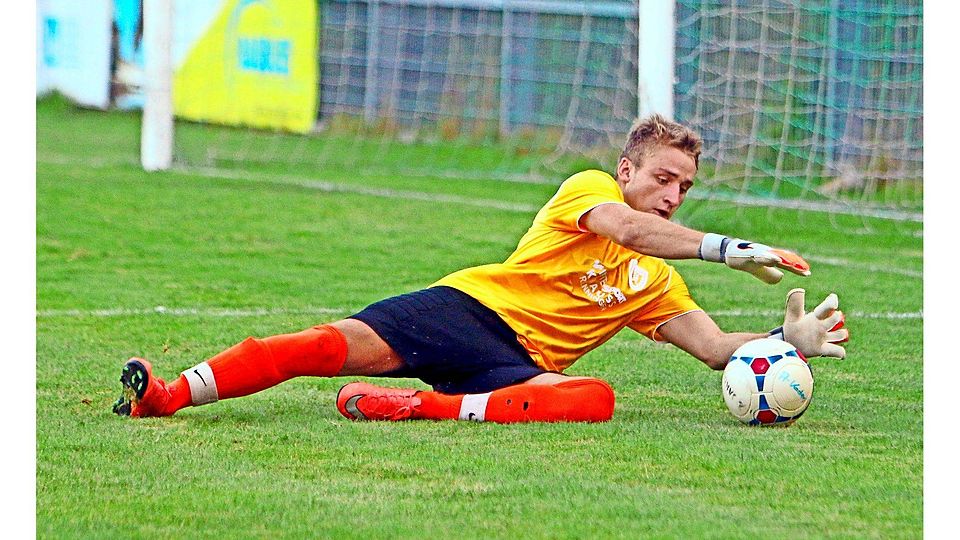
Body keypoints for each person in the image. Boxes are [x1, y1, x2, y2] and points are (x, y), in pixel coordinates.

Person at [113, 114, 848, 423]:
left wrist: (789, 344)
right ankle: (167, 396)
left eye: (684, 187)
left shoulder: (653, 287)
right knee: (320, 347)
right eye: (662, 178)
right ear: (628, 170)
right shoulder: (590, 191)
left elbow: (718, 351)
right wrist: (731, 248)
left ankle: (415, 407)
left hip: (512, 368)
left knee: (594, 401)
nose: (672, 194)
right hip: (465, 310)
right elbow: (630, 230)